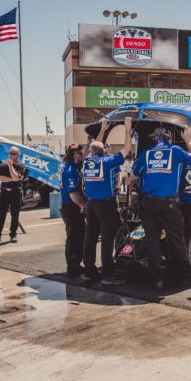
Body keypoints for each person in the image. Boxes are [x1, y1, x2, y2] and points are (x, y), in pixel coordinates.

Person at [131, 126, 191, 290]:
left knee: (152, 241)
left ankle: (157, 280)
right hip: (168, 204)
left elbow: (134, 176)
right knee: (177, 240)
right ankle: (186, 276)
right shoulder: (176, 151)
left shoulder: (147, 153)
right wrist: (188, 141)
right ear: (169, 139)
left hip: (148, 203)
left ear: (155, 139)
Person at [82, 117, 132, 286]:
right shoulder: (108, 162)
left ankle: (89, 271)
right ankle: (107, 275)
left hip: (90, 204)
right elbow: (126, 149)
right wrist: (127, 128)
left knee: (90, 237)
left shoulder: (87, 161)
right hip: (105, 204)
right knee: (107, 238)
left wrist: (103, 130)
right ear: (103, 152)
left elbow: (94, 146)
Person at [0, 146, 25, 244]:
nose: (11, 155)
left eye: (13, 153)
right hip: (5, 191)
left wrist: (10, 166)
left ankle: (13, 235)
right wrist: (12, 178)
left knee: (15, 214)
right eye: (10, 153)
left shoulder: (20, 165)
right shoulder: (3, 165)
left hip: (16, 192)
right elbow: (0, 178)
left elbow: (17, 178)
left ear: (18, 155)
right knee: (1, 214)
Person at [60, 143, 86, 277]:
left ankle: (77, 264)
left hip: (75, 207)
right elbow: (73, 193)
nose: (84, 155)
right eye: (82, 153)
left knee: (80, 235)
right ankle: (72, 266)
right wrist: (83, 206)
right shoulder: (70, 170)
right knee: (73, 236)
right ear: (76, 155)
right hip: (71, 207)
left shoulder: (77, 168)